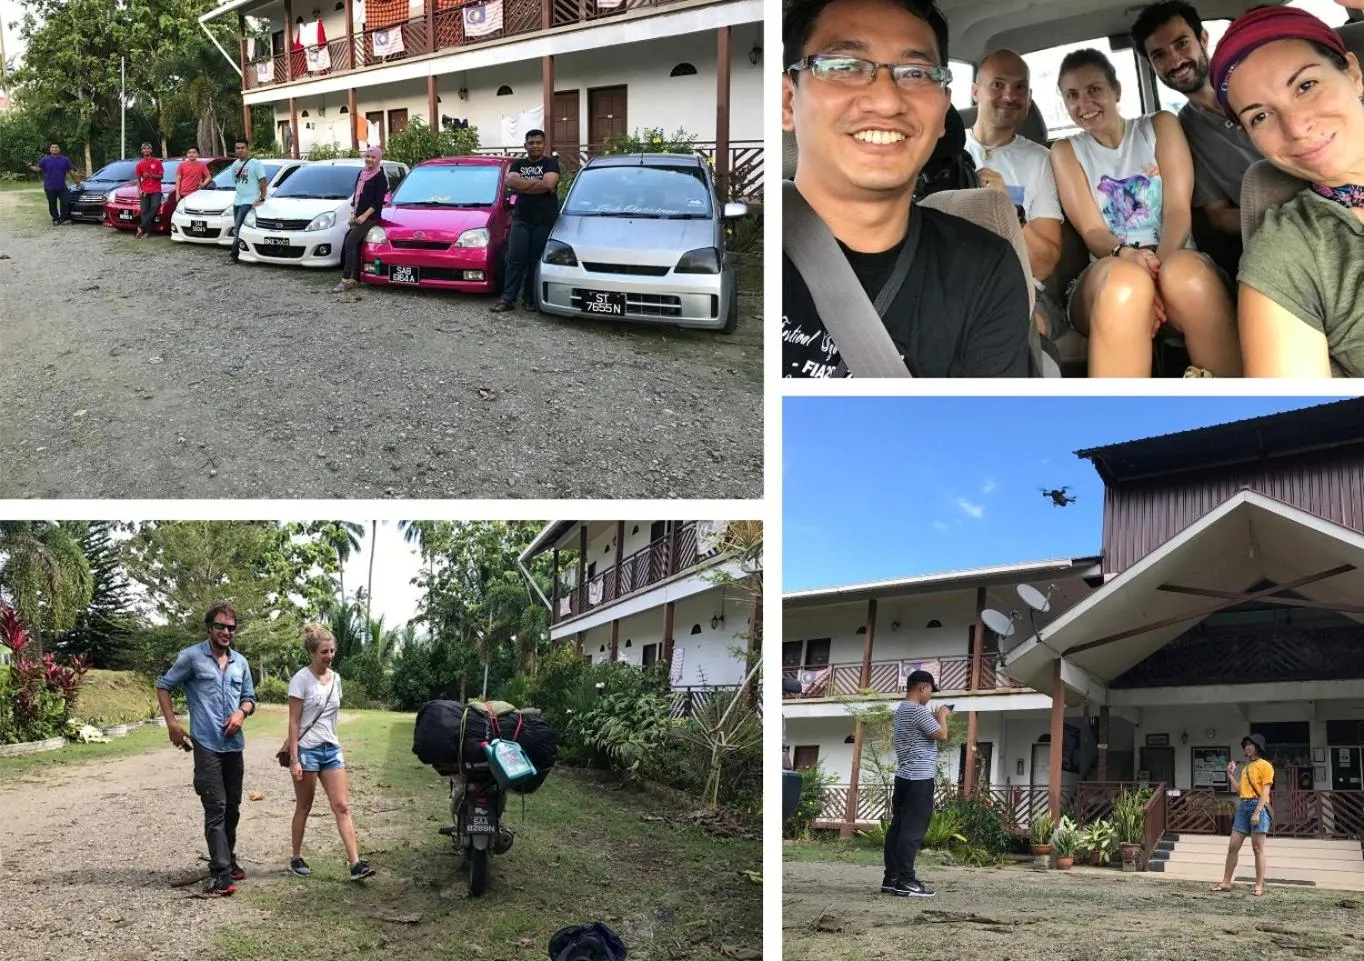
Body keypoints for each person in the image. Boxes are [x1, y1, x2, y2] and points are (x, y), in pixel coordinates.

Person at [781, 0, 1032, 378]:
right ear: (787, 101)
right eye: (844, 66)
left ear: (944, 110)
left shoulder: (985, 270)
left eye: (916, 73)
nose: (886, 100)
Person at [1050, 48, 1241, 377]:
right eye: (1072, 95)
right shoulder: (1066, 150)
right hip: (1109, 267)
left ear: (1117, 91)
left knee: (1186, 276)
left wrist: (1156, 272)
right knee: (1125, 285)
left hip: (1176, 254)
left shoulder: (1160, 125)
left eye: (1094, 89)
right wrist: (1132, 264)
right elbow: (1093, 232)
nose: (1084, 104)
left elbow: (1178, 211)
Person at [1212, 5, 1364, 376]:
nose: (1296, 127)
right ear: (1248, 137)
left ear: (1353, 73)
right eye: (1260, 116)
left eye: (1305, 86)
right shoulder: (1286, 252)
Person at [1131, 1, 1264, 274]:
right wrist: (1277, 219)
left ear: (1203, 38)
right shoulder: (1184, 134)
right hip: (1271, 235)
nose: (1175, 61)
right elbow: (1219, 217)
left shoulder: (1259, 81)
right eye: (1159, 55)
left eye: (1181, 43)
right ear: (1152, 66)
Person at [964, 49, 1068, 347]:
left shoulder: (1041, 161)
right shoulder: (940, 152)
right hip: (949, 285)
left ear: (1029, 96)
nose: (1009, 95)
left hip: (1022, 290)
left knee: (1012, 330)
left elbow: (1045, 265)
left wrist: (1006, 208)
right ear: (975, 91)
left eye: (1019, 87)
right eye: (997, 84)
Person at [154, 602, 258, 897]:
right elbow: (164, 686)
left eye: (231, 628)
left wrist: (242, 713)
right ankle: (221, 873)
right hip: (206, 743)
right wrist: (172, 724)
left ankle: (229, 857)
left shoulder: (241, 662)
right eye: (221, 626)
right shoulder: (191, 657)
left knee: (233, 807)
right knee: (216, 807)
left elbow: (250, 697)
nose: (226, 632)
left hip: (234, 745)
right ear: (209, 627)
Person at [284, 624, 374, 881]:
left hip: (331, 749)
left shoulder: (336, 679)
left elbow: (331, 717)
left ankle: (355, 863)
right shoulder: (300, 679)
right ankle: (296, 857)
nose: (329, 656)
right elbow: (293, 721)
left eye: (332, 651)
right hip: (307, 751)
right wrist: (294, 758)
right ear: (312, 653)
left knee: (342, 806)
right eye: (324, 651)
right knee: (304, 806)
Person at [881, 669, 949, 898]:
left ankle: (891, 878)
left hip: (903, 776)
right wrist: (942, 715)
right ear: (922, 687)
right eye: (930, 691)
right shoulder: (918, 711)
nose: (930, 696)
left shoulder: (901, 710)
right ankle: (906, 880)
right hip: (919, 778)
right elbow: (941, 735)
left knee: (898, 827)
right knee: (912, 830)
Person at [491, 129, 560, 313]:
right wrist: (539, 186)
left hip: (543, 221)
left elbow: (548, 184)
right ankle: (507, 299)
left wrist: (525, 186)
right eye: (531, 142)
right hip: (521, 219)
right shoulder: (518, 163)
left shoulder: (551, 163)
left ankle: (529, 299)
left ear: (544, 144)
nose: (535, 146)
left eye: (538, 142)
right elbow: (511, 182)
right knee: (515, 259)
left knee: (534, 260)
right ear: (525, 145)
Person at [1210, 733, 1274, 897]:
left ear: (1257, 747)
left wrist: (1258, 812)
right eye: (1246, 745)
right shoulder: (1246, 768)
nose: (1247, 747)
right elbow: (1240, 791)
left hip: (1258, 806)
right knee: (1233, 846)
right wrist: (1230, 775)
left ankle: (1259, 885)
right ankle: (1226, 882)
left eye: (1250, 744)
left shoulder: (1265, 765)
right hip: (1243, 806)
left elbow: (1266, 791)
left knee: (1257, 848)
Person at [336, 146, 388, 293]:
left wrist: (364, 216)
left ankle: (345, 279)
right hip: (358, 215)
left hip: (370, 217)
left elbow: (377, 202)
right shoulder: (362, 173)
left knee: (350, 242)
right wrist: (353, 213)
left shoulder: (380, 177)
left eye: (373, 157)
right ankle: (356, 278)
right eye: (367, 156)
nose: (370, 160)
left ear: (378, 159)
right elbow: (356, 194)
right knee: (355, 244)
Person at [227, 137, 268, 265]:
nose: (240, 150)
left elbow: (263, 181)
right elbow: (236, 181)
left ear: (247, 149)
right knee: (238, 228)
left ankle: (233, 256)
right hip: (238, 200)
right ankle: (242, 252)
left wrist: (262, 197)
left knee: (238, 228)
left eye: (242, 148)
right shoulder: (235, 165)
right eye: (237, 148)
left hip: (250, 200)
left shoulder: (255, 163)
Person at [26, 143, 83, 225]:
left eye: (56, 147)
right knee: (52, 204)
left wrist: (78, 183)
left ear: (59, 149)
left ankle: (64, 219)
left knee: (65, 202)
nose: (54, 148)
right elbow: (38, 169)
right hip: (49, 187)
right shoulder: (45, 160)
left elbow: (71, 172)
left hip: (62, 187)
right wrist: (29, 167)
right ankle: (55, 219)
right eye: (52, 147)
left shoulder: (65, 159)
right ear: (50, 150)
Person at [134, 142, 165, 239]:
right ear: (142, 151)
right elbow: (138, 180)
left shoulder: (157, 162)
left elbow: (161, 176)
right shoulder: (139, 164)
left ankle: (141, 227)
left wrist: (151, 175)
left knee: (155, 207)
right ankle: (146, 232)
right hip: (145, 190)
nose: (146, 150)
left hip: (156, 190)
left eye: (148, 149)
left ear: (151, 150)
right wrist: (139, 190)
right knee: (144, 211)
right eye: (144, 149)